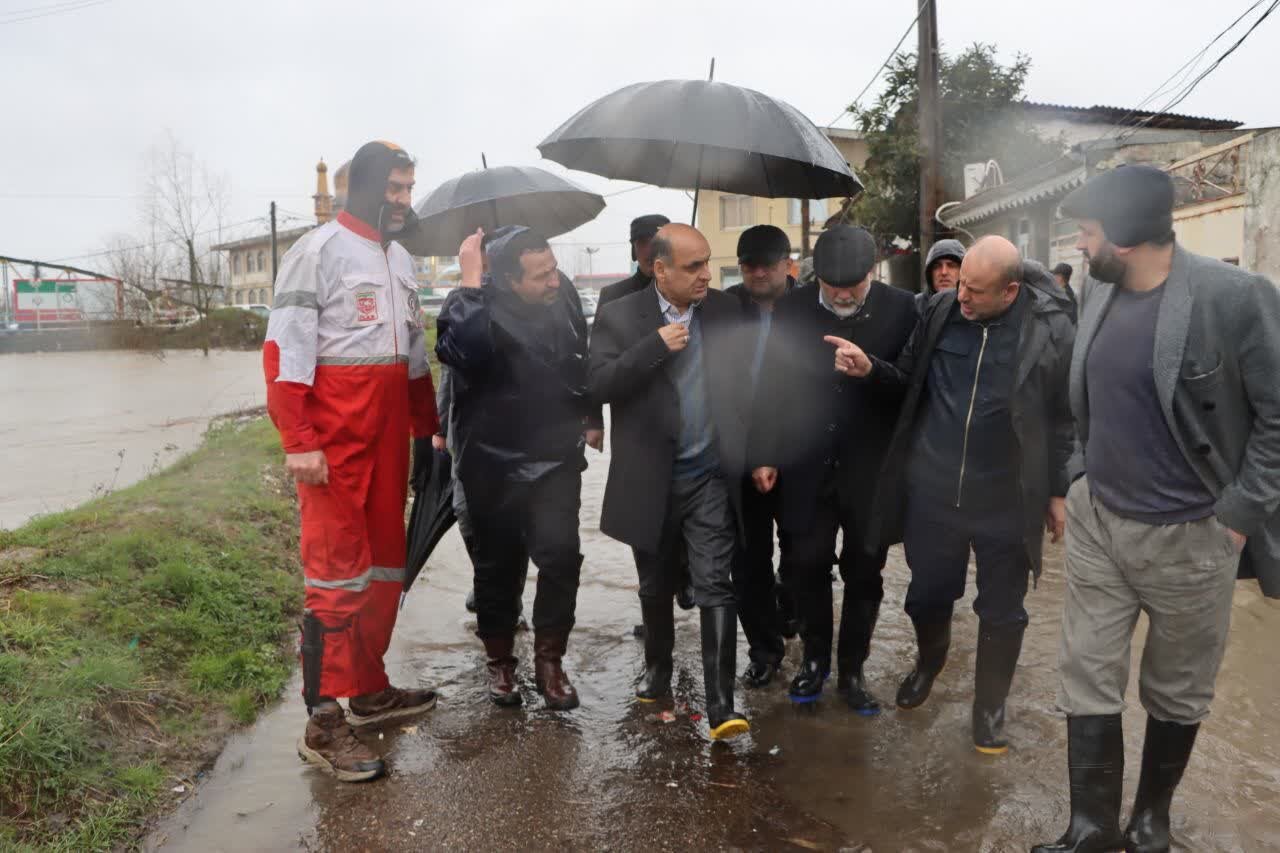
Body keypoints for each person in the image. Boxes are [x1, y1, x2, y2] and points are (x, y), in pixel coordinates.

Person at [1033, 165, 1280, 853]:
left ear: (1130, 237)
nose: (1080, 248)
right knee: (1086, 669)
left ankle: (1149, 823)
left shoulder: (1235, 298)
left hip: (1193, 535)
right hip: (1098, 521)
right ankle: (1090, 828)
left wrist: (1236, 514)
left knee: (1177, 687)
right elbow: (1089, 397)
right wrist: (1079, 475)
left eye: (1088, 234)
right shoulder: (1099, 289)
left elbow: (1276, 418)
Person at [833, 235, 1075, 753]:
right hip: (935, 492)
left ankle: (989, 710)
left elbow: (1063, 416)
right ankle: (930, 661)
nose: (962, 298)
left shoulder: (1048, 330)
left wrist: (1058, 490)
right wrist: (871, 368)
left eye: (976, 292)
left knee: (1002, 612)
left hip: (1008, 498)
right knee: (927, 596)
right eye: (960, 283)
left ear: (1010, 291)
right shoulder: (942, 311)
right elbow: (908, 377)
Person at [264, 140, 440, 783]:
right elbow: (285, 353)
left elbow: (413, 355)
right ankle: (323, 720)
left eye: (408, 188)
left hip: (389, 437)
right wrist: (299, 440)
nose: (402, 200)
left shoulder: (400, 260)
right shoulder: (317, 252)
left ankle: (368, 689)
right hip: (335, 443)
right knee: (335, 577)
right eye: (394, 188)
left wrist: (429, 428)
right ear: (361, 187)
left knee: (383, 568)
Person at [589, 223, 752, 740]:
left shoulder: (725, 311)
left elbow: (754, 383)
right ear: (659, 270)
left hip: (710, 474)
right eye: (693, 266)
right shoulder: (619, 315)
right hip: (651, 478)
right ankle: (658, 669)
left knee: (714, 583)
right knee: (656, 584)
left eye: (707, 262)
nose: (706, 274)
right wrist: (653, 347)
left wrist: (762, 452)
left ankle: (721, 703)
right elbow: (595, 383)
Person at [749, 225, 917, 711]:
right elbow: (770, 384)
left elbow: (915, 387)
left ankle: (853, 669)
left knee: (865, 570)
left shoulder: (904, 309)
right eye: (831, 285)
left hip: (873, 470)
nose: (842, 295)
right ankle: (814, 662)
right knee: (806, 564)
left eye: (853, 286)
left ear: (872, 272)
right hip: (806, 464)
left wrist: (873, 371)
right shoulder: (793, 309)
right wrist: (762, 450)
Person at [436, 227, 595, 712]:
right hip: (492, 459)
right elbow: (462, 351)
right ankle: (501, 663)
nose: (554, 281)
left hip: (554, 454)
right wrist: (468, 279)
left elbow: (579, 355)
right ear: (505, 280)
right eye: (541, 275)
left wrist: (587, 414)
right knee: (497, 566)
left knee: (561, 556)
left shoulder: (561, 292)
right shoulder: (470, 304)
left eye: (553, 269)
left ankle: (550, 661)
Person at [722, 225, 796, 686]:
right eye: (749, 263)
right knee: (747, 560)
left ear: (789, 264)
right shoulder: (722, 308)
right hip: (738, 450)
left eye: (768, 262)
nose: (758, 272)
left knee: (803, 555)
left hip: (797, 451)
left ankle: (792, 615)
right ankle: (764, 650)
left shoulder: (809, 307)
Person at [598, 214, 672, 307]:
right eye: (643, 243)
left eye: (657, 242)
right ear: (634, 250)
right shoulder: (612, 296)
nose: (649, 250)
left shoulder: (685, 293)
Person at [916, 238, 965, 315]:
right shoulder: (914, 307)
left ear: (963, 270)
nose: (944, 272)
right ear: (929, 273)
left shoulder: (973, 307)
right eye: (937, 266)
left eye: (951, 265)